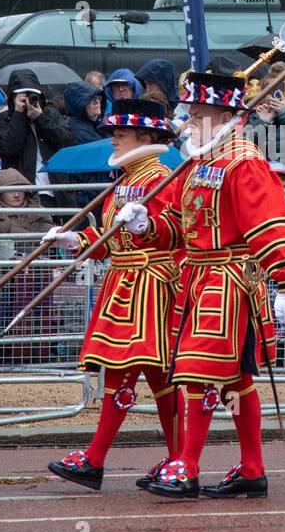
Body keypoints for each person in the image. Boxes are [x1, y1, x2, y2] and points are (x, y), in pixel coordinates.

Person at [135, 71, 285, 498]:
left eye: (200, 113)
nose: (190, 121)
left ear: (227, 115)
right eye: (191, 113)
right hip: (198, 276)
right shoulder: (199, 162)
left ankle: (187, 466)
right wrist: (147, 225)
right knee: (235, 378)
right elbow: (179, 223)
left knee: (198, 372)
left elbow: (270, 226)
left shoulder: (244, 162)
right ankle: (252, 469)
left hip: (231, 278)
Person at [44, 99, 186, 490]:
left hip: (150, 285)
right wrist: (78, 240)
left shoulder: (161, 175)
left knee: (135, 371)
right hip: (123, 283)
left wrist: (147, 226)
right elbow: (110, 241)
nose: (113, 142)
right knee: (155, 376)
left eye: (120, 135)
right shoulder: (126, 179)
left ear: (145, 136)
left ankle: (98, 458)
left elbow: (176, 231)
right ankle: (176, 460)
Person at [0, 68, 74, 205]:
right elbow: (9, 148)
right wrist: (18, 115)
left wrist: (40, 118)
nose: (27, 101)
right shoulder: (5, 119)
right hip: (23, 193)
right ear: (13, 98)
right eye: (22, 96)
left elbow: (67, 143)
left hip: (55, 190)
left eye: (32, 96)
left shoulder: (50, 115)